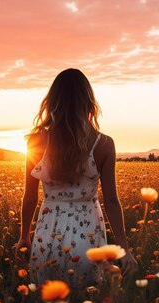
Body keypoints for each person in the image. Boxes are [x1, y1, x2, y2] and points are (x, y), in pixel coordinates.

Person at [16, 68, 137, 288]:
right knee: (87, 297)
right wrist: (124, 249)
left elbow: (30, 196)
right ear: (89, 102)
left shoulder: (36, 141)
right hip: (89, 231)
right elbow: (111, 201)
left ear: (52, 101)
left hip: (48, 233)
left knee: (48, 301)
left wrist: (24, 236)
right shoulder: (104, 144)